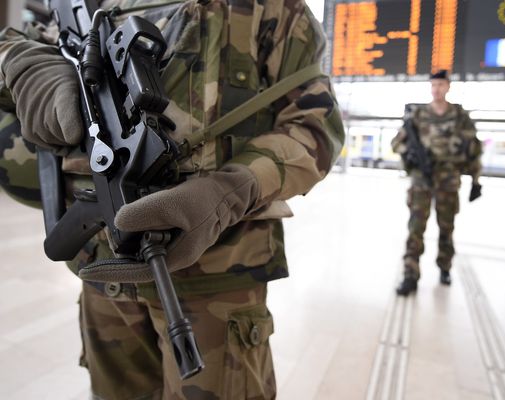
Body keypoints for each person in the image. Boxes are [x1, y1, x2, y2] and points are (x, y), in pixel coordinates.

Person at [0, 0, 344, 398]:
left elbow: (316, 128)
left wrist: (228, 191)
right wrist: (26, 63)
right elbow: (18, 44)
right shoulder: (96, 5)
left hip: (216, 283)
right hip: (104, 271)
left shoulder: (274, 9)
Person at [391, 70, 482, 296]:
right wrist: (409, 155)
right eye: (433, 85)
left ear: (448, 86)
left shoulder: (460, 116)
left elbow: (473, 149)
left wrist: (476, 180)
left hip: (448, 180)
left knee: (446, 227)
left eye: (440, 85)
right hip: (421, 180)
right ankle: (410, 274)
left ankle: (444, 267)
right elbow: (397, 143)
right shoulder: (418, 114)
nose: (436, 89)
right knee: (415, 228)